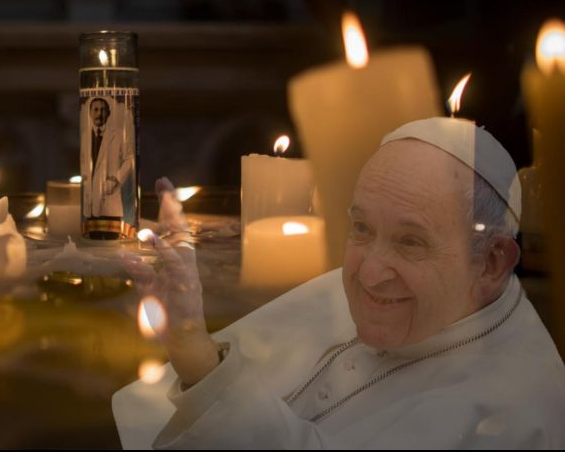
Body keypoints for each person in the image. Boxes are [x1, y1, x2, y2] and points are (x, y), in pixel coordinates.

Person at [114, 117, 565, 449]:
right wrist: (189, 340)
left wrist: (199, 358)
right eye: (362, 229)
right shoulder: (389, 289)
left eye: (410, 241)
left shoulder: (511, 413)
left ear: (490, 262)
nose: (367, 275)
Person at [81, 97, 135, 223]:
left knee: (112, 237)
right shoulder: (85, 137)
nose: (99, 114)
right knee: (92, 237)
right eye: (95, 110)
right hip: (90, 200)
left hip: (109, 199)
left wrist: (115, 179)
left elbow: (130, 159)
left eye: (103, 110)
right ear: (90, 113)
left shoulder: (118, 135)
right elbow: (84, 161)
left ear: (109, 113)